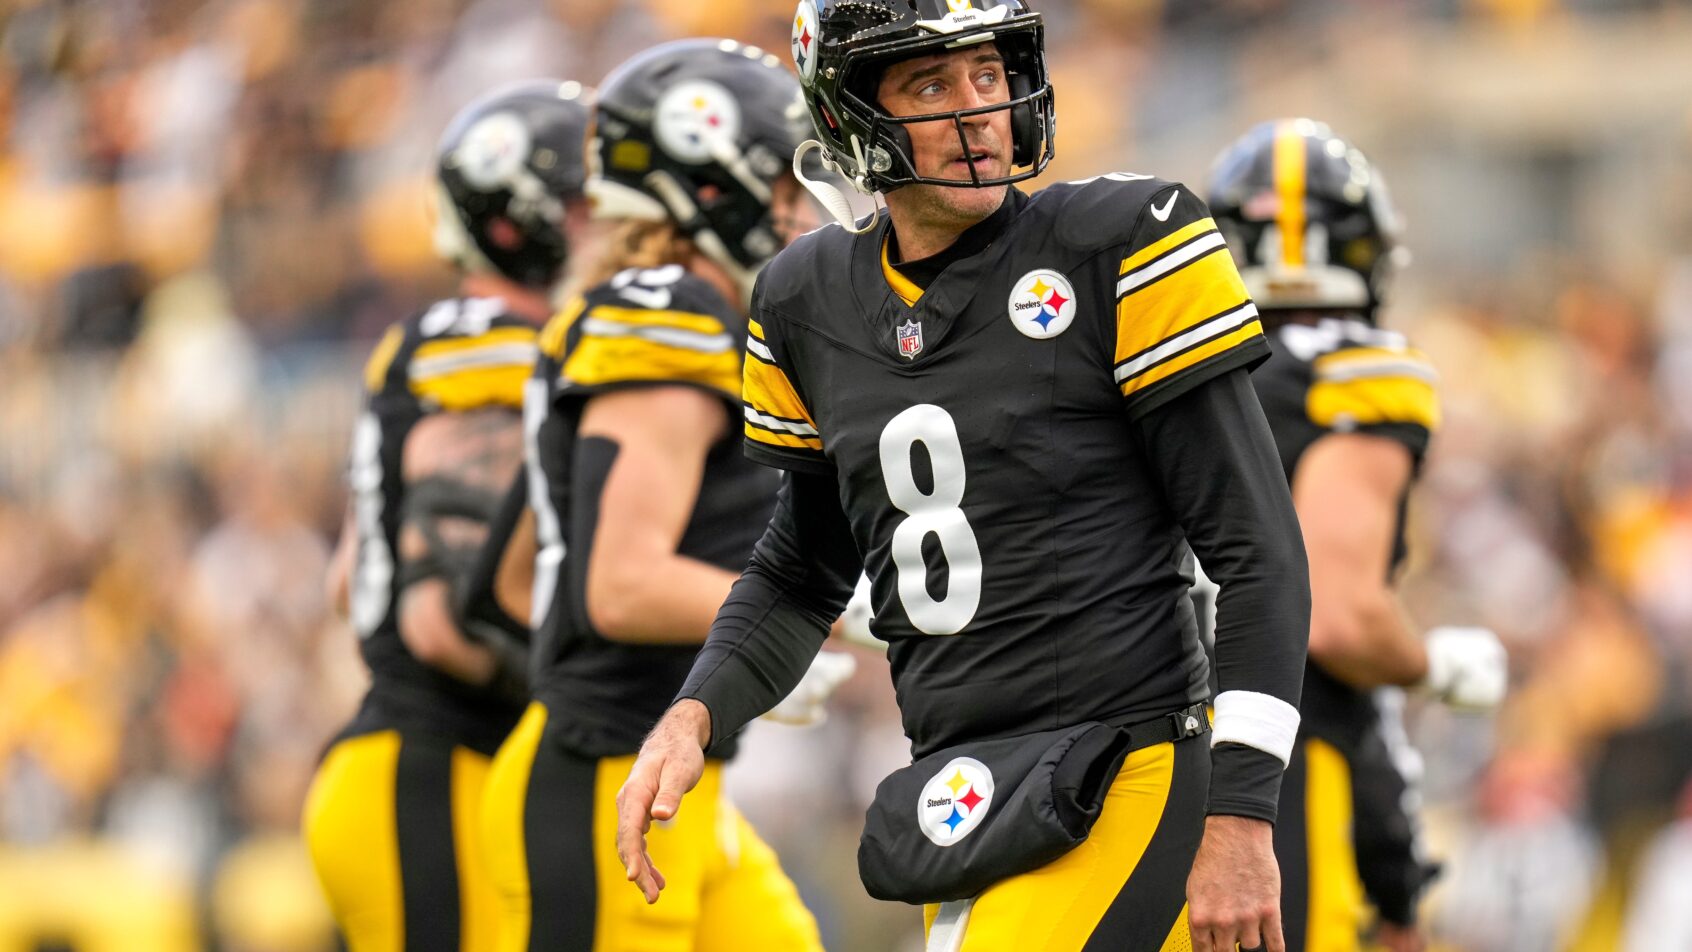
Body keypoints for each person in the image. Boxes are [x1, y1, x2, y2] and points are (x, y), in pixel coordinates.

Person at [616, 2, 1314, 950]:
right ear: (849, 115)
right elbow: (799, 569)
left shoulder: (1116, 242)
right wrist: (692, 717)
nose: (976, 109)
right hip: (962, 784)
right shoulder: (801, 299)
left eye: (988, 75)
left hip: (1130, 762)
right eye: (931, 84)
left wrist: (1240, 815)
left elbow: (1260, 552)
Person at [473, 38, 838, 952]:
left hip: (663, 779)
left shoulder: (644, 312)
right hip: (605, 781)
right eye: (786, 188)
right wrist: (809, 614)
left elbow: (511, 581)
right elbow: (622, 584)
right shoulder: (670, 316)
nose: (804, 213)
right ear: (712, 184)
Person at [1205, 119, 1509, 952]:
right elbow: (1336, 618)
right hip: (1280, 775)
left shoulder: (1170, 367)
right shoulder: (1364, 373)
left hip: (1134, 768)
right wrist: (1431, 665)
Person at [303, 80, 592, 952]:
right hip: (432, 770)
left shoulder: (432, 347)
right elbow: (447, 617)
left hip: (432, 770)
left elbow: (348, 580)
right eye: (591, 202)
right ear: (522, 219)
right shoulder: (494, 344)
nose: (620, 224)